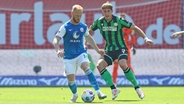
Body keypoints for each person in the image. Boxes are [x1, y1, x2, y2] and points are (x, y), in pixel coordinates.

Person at [89, 1, 154, 100]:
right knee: (99, 65)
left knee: (123, 64)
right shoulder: (99, 22)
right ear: (102, 12)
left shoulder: (118, 20)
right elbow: (89, 32)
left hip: (121, 48)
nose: (106, 13)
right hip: (109, 50)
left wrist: (145, 38)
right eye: (104, 11)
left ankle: (137, 88)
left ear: (112, 11)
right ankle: (114, 88)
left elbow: (134, 28)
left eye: (108, 11)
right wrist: (84, 42)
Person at [52, 4, 106, 102]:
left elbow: (89, 38)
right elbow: (56, 39)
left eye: (80, 16)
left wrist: (98, 50)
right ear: (72, 13)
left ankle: (99, 92)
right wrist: (58, 50)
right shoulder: (65, 27)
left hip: (81, 53)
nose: (78, 18)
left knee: (87, 68)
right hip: (68, 57)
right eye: (76, 15)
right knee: (71, 81)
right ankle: (75, 95)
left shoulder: (83, 26)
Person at [112, 13, 136, 85]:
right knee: (116, 65)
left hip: (125, 48)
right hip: (117, 48)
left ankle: (134, 81)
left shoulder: (127, 28)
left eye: (123, 18)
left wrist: (133, 46)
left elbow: (132, 35)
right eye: (121, 18)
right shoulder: (115, 27)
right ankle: (114, 83)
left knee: (128, 64)